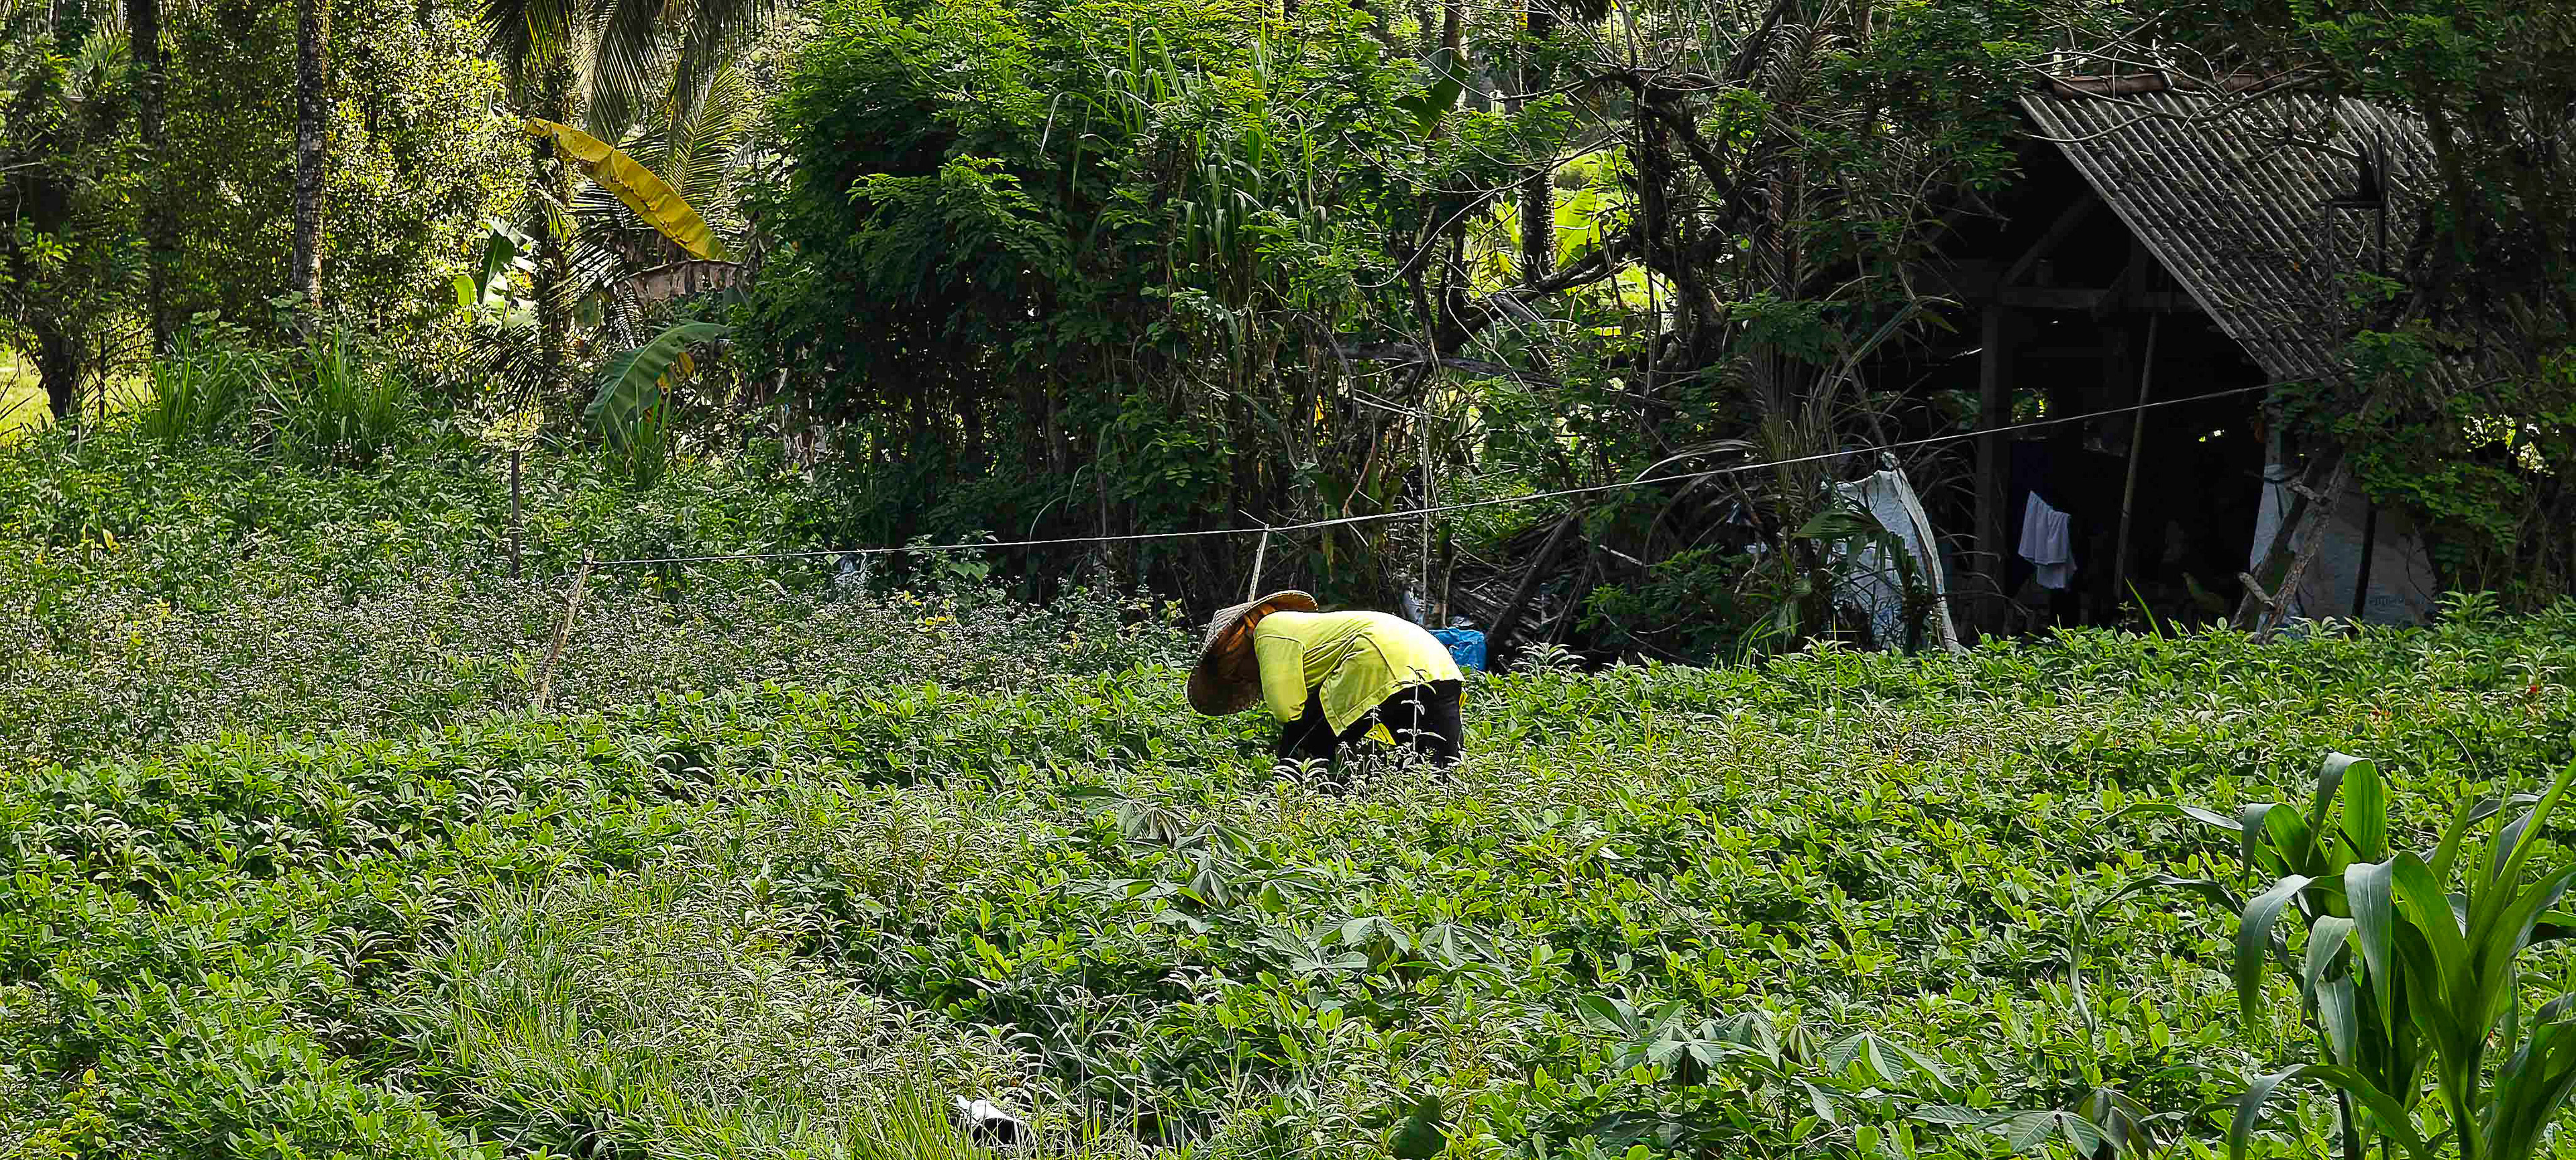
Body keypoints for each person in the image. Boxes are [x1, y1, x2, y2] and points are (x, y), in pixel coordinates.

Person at [1187, 590, 1465, 767]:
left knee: (1305, 745)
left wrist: (1288, 757)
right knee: (1442, 765)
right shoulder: (1302, 628)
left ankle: (1302, 799)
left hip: (1376, 661)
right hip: (1438, 664)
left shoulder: (1269, 629)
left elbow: (1287, 708)